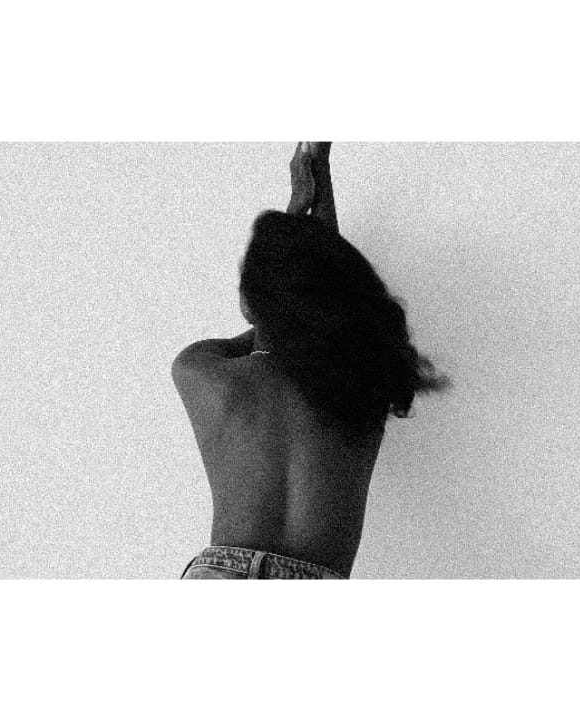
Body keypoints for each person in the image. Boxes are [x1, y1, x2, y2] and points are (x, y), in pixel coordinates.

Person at [173, 142, 451, 579]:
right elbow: (324, 303)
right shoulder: (361, 384)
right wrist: (317, 171)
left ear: (250, 302)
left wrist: (294, 213)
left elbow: (303, 307)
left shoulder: (202, 373)